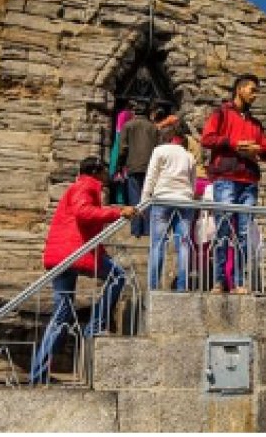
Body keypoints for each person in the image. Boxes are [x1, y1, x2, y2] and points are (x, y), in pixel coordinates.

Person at [30, 157, 136, 384]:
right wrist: (117, 212)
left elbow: (84, 228)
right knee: (117, 276)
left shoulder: (78, 187)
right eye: (105, 171)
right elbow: (83, 214)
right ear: (97, 171)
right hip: (74, 254)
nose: (107, 175)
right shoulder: (87, 187)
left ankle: (38, 374)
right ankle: (95, 324)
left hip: (64, 254)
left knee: (63, 313)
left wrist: (102, 253)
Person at [201, 74, 266, 294]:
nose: (255, 94)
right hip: (225, 179)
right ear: (240, 89)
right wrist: (234, 144)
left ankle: (239, 282)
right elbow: (207, 139)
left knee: (244, 233)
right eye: (252, 89)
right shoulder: (221, 113)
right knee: (223, 229)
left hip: (249, 182)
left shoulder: (255, 123)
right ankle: (219, 281)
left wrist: (257, 149)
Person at [141, 122, 196, 291]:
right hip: (184, 201)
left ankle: (153, 286)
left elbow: (151, 177)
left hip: (163, 199)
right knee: (184, 245)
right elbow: (192, 184)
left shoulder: (160, 151)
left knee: (158, 244)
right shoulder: (189, 156)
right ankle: (182, 287)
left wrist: (144, 201)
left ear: (169, 137)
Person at [120, 101, 159, 237]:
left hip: (133, 165)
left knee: (135, 198)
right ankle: (148, 229)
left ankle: (136, 229)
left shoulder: (128, 125)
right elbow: (157, 148)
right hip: (150, 167)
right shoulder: (153, 128)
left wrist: (120, 165)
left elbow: (123, 148)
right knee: (147, 198)